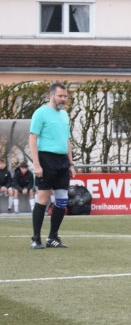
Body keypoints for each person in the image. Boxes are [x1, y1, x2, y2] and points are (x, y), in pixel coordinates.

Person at [28, 82, 76, 249]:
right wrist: (36, 164)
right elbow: (32, 139)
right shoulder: (40, 113)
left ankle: (52, 237)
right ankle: (36, 239)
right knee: (43, 197)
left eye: (65, 96)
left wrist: (71, 163)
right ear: (51, 95)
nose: (63, 99)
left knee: (62, 200)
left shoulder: (65, 115)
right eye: (60, 96)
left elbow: (67, 140)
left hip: (62, 161)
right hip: (46, 159)